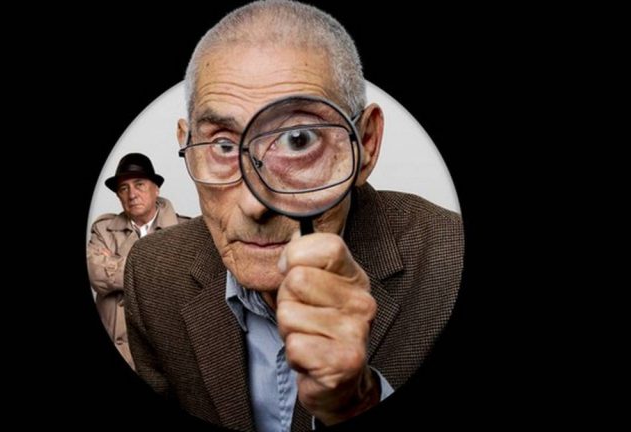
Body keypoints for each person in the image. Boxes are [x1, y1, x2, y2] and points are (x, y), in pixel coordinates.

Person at [123, 1, 463, 430]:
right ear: (186, 143)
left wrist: (359, 404)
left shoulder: (452, 264)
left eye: (298, 140)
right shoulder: (151, 273)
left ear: (365, 143)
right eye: (223, 146)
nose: (255, 204)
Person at [87, 152, 189, 369]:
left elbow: (182, 285)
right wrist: (160, 268)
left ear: (156, 189)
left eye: (139, 184)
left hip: (166, 354)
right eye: (124, 188)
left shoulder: (184, 230)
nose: (132, 194)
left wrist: (115, 262)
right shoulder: (103, 230)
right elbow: (95, 275)